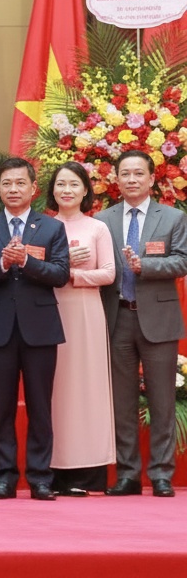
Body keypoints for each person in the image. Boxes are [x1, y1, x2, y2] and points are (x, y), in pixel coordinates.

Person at [0, 157, 69, 501]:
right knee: (2, 407)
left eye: (20, 183)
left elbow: (60, 274)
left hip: (40, 328)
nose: (13, 189)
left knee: (41, 406)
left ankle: (40, 478)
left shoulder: (52, 228)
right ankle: (4, 478)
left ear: (33, 188)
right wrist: (1, 264)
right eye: (6, 183)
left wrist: (26, 261)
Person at [97, 149, 187, 497]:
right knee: (122, 402)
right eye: (125, 174)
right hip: (118, 315)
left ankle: (161, 474)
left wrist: (144, 267)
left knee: (163, 400)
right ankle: (128, 474)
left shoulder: (173, 218)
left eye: (138, 174)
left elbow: (182, 261)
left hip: (158, 318)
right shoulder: (103, 219)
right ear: (115, 179)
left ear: (151, 179)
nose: (131, 180)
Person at [45, 162, 116, 496]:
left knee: (88, 390)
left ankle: (88, 474)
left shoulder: (97, 228)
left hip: (87, 312)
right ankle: (54, 471)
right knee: (56, 390)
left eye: (74, 184)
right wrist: (62, 265)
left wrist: (72, 274)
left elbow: (108, 274)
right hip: (51, 310)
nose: (67, 190)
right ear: (52, 190)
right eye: (60, 184)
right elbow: (36, 270)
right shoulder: (43, 228)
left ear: (86, 190)